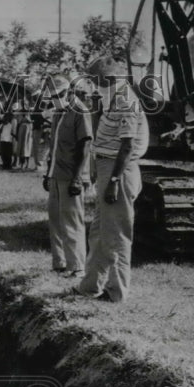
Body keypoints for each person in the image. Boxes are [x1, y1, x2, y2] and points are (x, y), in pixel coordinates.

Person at [74, 57, 150, 303]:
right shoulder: (112, 98)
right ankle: (90, 285)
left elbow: (127, 146)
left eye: (95, 81)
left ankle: (116, 292)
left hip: (120, 170)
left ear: (107, 79)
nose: (93, 86)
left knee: (116, 235)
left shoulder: (125, 100)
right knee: (99, 232)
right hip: (108, 166)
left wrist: (114, 180)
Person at [41, 74, 92, 277]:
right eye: (52, 97)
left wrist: (77, 178)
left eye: (58, 95)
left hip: (71, 176)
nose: (55, 99)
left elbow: (85, 144)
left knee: (72, 222)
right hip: (56, 174)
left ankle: (77, 266)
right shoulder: (58, 113)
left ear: (69, 91)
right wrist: (48, 174)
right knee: (55, 220)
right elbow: (54, 147)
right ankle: (60, 263)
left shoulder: (80, 111)